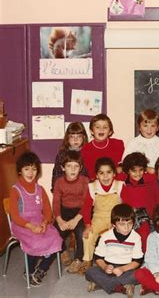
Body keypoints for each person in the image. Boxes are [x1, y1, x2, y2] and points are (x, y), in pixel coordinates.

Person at [9, 151, 62, 286]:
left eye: (34, 169)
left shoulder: (40, 189)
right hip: (22, 225)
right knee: (35, 241)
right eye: (26, 169)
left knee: (55, 238)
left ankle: (41, 269)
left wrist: (45, 223)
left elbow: (48, 211)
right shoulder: (15, 190)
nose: (30, 172)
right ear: (20, 171)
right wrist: (31, 226)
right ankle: (29, 270)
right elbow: (15, 216)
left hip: (39, 221)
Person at [85, 203, 143, 297]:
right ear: (114, 224)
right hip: (108, 268)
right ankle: (121, 286)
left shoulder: (136, 237)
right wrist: (104, 267)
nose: (127, 227)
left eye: (130, 223)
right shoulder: (105, 236)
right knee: (89, 271)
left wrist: (122, 269)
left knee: (141, 274)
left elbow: (137, 261)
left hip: (126, 269)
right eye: (122, 224)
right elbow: (98, 258)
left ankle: (102, 284)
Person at [81, 157, 124, 272]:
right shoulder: (92, 187)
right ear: (96, 175)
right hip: (98, 218)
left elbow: (126, 206)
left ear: (114, 173)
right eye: (101, 173)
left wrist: (116, 222)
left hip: (116, 218)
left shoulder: (120, 186)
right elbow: (86, 209)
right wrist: (87, 225)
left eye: (109, 172)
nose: (105, 177)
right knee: (88, 236)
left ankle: (118, 261)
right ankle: (87, 260)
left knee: (118, 235)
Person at [52, 150, 89, 274]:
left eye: (76, 166)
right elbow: (56, 203)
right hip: (64, 211)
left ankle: (78, 259)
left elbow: (87, 204)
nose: (72, 169)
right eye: (69, 166)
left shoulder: (85, 181)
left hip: (81, 212)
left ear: (81, 168)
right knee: (55, 231)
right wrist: (60, 220)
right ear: (63, 168)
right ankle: (63, 250)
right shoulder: (59, 182)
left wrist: (76, 219)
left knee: (80, 233)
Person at [118, 152, 157, 251]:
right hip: (127, 212)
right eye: (134, 171)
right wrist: (119, 168)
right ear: (127, 171)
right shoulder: (123, 179)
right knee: (124, 233)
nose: (137, 173)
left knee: (144, 233)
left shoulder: (147, 178)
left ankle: (144, 255)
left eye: (141, 170)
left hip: (143, 213)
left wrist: (150, 169)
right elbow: (109, 174)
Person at [81, 113, 125, 180]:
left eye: (105, 127)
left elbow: (124, 166)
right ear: (91, 131)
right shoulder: (86, 149)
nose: (101, 130)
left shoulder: (118, 144)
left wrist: (121, 168)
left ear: (110, 131)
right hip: (97, 183)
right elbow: (90, 174)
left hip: (117, 182)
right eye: (97, 127)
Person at [122, 109, 159, 174]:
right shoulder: (133, 143)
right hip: (138, 177)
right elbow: (125, 164)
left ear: (158, 127)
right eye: (145, 126)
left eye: (153, 126)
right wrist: (145, 168)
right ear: (139, 127)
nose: (149, 129)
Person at [51, 121, 89, 191]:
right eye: (72, 137)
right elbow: (56, 173)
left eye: (79, 136)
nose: (75, 139)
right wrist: (55, 189)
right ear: (67, 138)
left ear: (84, 137)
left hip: (82, 191)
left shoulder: (87, 154)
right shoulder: (61, 154)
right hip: (65, 191)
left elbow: (88, 175)